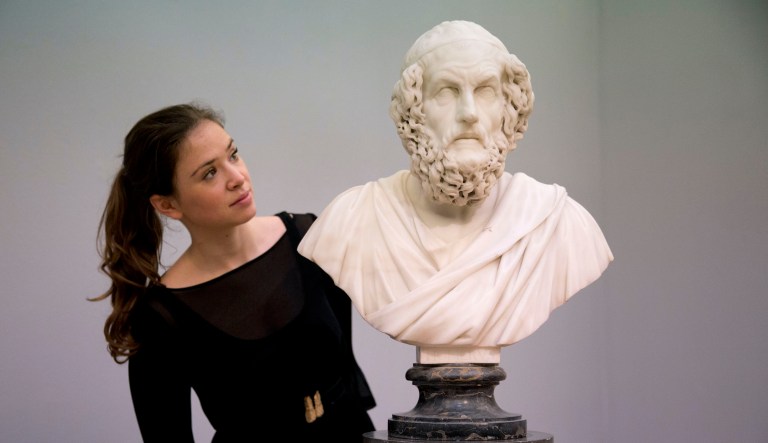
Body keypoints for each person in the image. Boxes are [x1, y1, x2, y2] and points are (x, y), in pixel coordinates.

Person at [298, 21, 614, 365]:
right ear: (413, 112)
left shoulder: (558, 224)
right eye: (446, 92)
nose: (469, 113)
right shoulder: (353, 221)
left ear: (510, 108)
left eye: (486, 91)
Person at [92, 103, 376, 442]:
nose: (237, 177)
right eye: (209, 173)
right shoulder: (160, 316)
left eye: (234, 155)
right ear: (167, 205)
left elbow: (345, 373)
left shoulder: (308, 237)